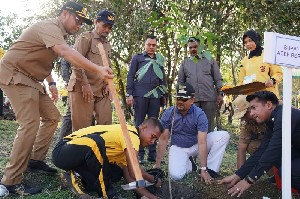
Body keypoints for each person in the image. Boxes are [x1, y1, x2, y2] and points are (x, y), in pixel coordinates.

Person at [0, 1, 113, 195]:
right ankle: (10, 181)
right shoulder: (50, 27)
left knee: (52, 117)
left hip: (33, 79)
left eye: (82, 22)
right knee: (30, 123)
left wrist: (51, 83)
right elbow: (65, 52)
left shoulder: (60, 34)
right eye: (77, 20)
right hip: (15, 74)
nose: (79, 25)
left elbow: (41, 58)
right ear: (64, 14)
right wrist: (98, 69)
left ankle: (35, 159)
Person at [52, 118, 164, 199]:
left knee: (115, 173)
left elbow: (131, 178)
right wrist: (153, 179)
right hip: (63, 151)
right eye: (153, 136)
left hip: (79, 158)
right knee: (97, 142)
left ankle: (76, 175)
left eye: (156, 140)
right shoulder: (131, 135)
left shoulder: (126, 148)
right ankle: (109, 194)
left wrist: (152, 197)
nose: (152, 142)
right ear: (143, 128)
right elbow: (136, 172)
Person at [218, 91, 300, 197]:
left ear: (269, 105)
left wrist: (249, 180)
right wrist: (238, 175)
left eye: (254, 107)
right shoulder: (272, 120)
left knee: (288, 171)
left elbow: (273, 150)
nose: (251, 113)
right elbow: (263, 150)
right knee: (281, 163)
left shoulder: (285, 115)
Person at [154, 82, 230, 181]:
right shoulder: (168, 114)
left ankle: (210, 170)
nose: (180, 102)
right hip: (179, 147)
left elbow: (202, 142)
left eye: (184, 99)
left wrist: (203, 169)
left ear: (192, 99)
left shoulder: (199, 114)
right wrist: (158, 164)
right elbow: (163, 139)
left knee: (223, 136)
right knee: (176, 176)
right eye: (178, 98)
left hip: (197, 144)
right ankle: (191, 166)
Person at [68, 10, 115, 132]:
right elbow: (75, 61)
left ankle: (100, 151)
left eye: (110, 27)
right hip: (82, 88)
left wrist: (108, 84)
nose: (107, 30)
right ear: (96, 22)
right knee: (82, 130)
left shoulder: (107, 43)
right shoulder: (85, 38)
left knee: (106, 127)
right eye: (105, 26)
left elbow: (107, 65)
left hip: (101, 90)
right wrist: (84, 84)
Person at [126, 35, 167, 163]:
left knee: (154, 124)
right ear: (145, 45)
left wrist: (163, 95)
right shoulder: (137, 58)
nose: (151, 47)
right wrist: (129, 94)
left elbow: (162, 79)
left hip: (155, 96)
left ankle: (152, 155)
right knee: (139, 124)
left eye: (153, 45)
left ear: (156, 46)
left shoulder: (159, 60)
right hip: (140, 95)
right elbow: (130, 75)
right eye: (149, 44)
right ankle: (139, 153)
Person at [178, 37, 224, 133]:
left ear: (200, 47)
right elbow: (180, 83)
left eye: (195, 47)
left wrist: (220, 93)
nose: (193, 49)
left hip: (209, 98)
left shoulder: (210, 60)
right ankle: (196, 147)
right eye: (190, 48)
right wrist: (181, 100)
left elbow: (218, 78)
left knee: (208, 126)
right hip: (192, 100)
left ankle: (208, 147)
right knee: (192, 125)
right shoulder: (185, 63)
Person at [238, 29, 283, 98]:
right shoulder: (244, 61)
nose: (248, 44)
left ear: (256, 40)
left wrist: (272, 80)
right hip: (252, 98)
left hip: (269, 96)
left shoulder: (268, 54)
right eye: (245, 42)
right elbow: (242, 81)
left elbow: (278, 73)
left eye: (250, 41)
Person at [232, 95, 266, 169]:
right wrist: (239, 176)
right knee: (252, 146)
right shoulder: (247, 121)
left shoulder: (268, 111)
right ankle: (274, 175)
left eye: (244, 114)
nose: (243, 118)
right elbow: (242, 148)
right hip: (268, 144)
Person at [58, 58, 73, 140]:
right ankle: (61, 141)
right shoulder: (69, 50)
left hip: (91, 86)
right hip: (74, 86)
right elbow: (64, 70)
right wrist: (70, 82)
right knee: (70, 113)